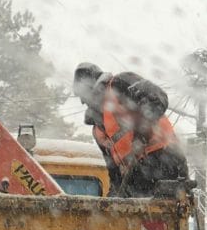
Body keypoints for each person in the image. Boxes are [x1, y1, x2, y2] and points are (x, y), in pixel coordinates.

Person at [73, 63, 188, 196]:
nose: (82, 101)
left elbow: (158, 98)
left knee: (168, 205)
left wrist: (142, 132)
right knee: (127, 206)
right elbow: (114, 171)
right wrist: (113, 197)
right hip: (137, 176)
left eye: (82, 94)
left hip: (166, 159)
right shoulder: (98, 130)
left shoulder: (119, 84)